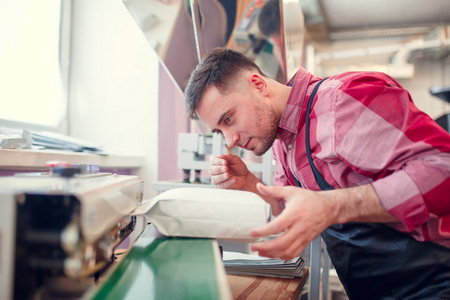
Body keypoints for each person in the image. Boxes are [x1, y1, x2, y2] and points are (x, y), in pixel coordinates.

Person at [184, 47, 450, 299]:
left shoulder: (342, 99)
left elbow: (443, 170)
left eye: (228, 119)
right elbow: (289, 207)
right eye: (219, 131)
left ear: (258, 85)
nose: (230, 140)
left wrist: (331, 206)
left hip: (434, 281)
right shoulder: (281, 141)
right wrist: (251, 185)